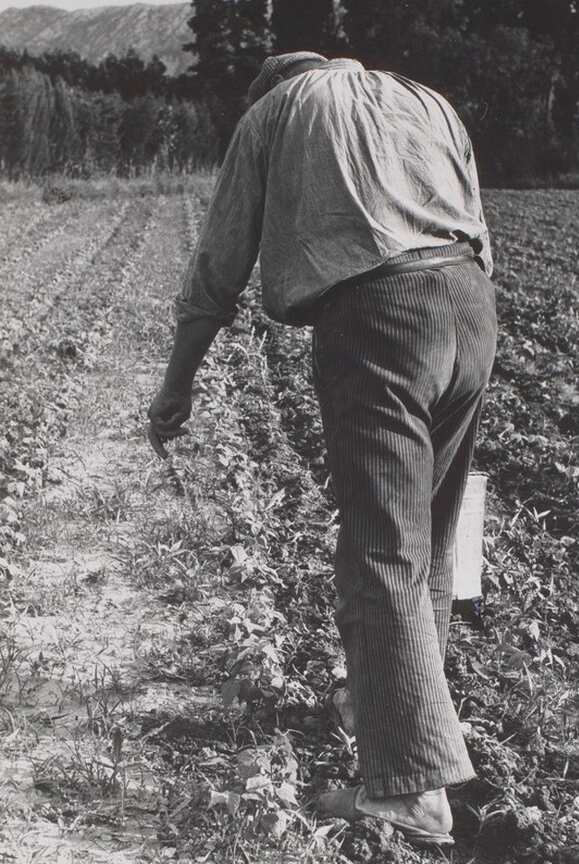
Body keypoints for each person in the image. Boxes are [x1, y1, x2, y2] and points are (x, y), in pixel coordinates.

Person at [147, 51, 497, 847]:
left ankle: (412, 790)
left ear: (266, 88)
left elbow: (219, 262)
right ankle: (384, 703)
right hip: (471, 306)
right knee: (432, 538)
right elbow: (477, 222)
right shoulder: (423, 93)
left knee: (379, 550)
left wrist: (176, 388)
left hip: (378, 315)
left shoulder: (275, 110)